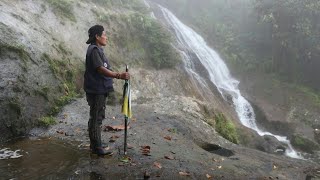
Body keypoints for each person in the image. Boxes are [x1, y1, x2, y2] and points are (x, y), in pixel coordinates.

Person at [84, 25, 130, 155]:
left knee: (97, 116)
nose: (106, 37)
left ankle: (95, 144)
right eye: (104, 34)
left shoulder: (97, 49)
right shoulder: (93, 50)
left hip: (99, 88)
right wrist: (118, 75)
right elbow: (100, 69)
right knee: (96, 117)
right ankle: (97, 148)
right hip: (96, 89)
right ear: (97, 37)